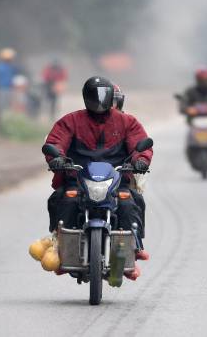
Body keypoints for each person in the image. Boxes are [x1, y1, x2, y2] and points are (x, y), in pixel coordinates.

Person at [44, 76, 152, 280]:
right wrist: (56, 158)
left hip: (117, 179)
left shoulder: (127, 121)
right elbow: (56, 141)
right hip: (77, 178)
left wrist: (141, 160)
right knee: (65, 199)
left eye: (103, 96)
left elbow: (140, 143)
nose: (99, 101)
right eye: (94, 96)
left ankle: (134, 248)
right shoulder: (71, 120)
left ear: (110, 97)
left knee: (130, 203)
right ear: (85, 97)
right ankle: (60, 248)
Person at [0, 48, 18, 115]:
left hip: (9, 89)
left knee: (7, 105)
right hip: (2, 89)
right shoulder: (0, 67)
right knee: (3, 106)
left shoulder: (11, 67)